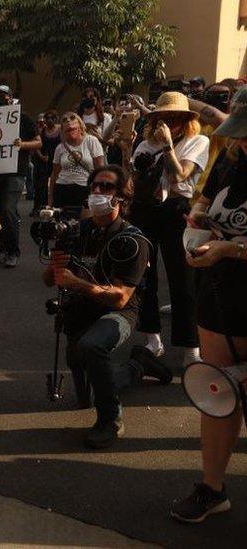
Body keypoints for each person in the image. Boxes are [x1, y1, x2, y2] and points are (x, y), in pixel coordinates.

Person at [43, 165, 165, 448]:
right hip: (81, 308)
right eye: (94, 186)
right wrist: (55, 267)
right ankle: (138, 366)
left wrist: (78, 284)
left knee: (91, 348)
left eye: (106, 187)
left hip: (118, 312)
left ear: (121, 197)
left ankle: (111, 418)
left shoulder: (133, 240)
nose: (97, 192)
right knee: (84, 385)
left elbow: (121, 298)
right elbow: (50, 280)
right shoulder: (78, 231)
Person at [171, 93, 247, 523]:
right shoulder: (232, 158)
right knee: (219, 392)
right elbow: (204, 198)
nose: (242, 143)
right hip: (220, 295)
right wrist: (196, 226)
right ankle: (211, 487)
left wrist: (231, 251)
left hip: (231, 274)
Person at [129, 92, 210, 368]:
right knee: (145, 276)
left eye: (178, 117)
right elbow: (135, 183)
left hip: (177, 210)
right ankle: (152, 338)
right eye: (166, 117)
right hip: (147, 210)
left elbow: (180, 175)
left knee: (183, 279)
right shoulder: (144, 145)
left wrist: (166, 148)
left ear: (187, 119)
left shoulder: (198, 141)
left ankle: (190, 346)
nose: (172, 122)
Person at [0, 85, 42, 268]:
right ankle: (3, 248)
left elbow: (38, 142)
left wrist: (23, 144)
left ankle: (13, 251)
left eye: (4, 96)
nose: (0, 99)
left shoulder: (23, 118)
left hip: (16, 172)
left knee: (7, 209)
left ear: (11, 98)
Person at [49, 112, 106, 214]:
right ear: (63, 131)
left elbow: (100, 170)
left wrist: (100, 194)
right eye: (67, 130)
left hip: (85, 189)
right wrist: (50, 198)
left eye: (73, 128)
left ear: (80, 127)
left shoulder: (91, 141)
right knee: (61, 225)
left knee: (84, 223)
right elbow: (54, 174)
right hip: (62, 189)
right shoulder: (60, 148)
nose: (71, 131)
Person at [32, 110, 61, 215]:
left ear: (55, 119)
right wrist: (41, 156)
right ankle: (39, 207)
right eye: (47, 118)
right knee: (41, 185)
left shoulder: (60, 130)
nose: (49, 120)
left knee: (57, 183)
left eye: (51, 118)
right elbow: (37, 145)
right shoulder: (43, 131)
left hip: (57, 160)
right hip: (45, 161)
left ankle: (55, 205)